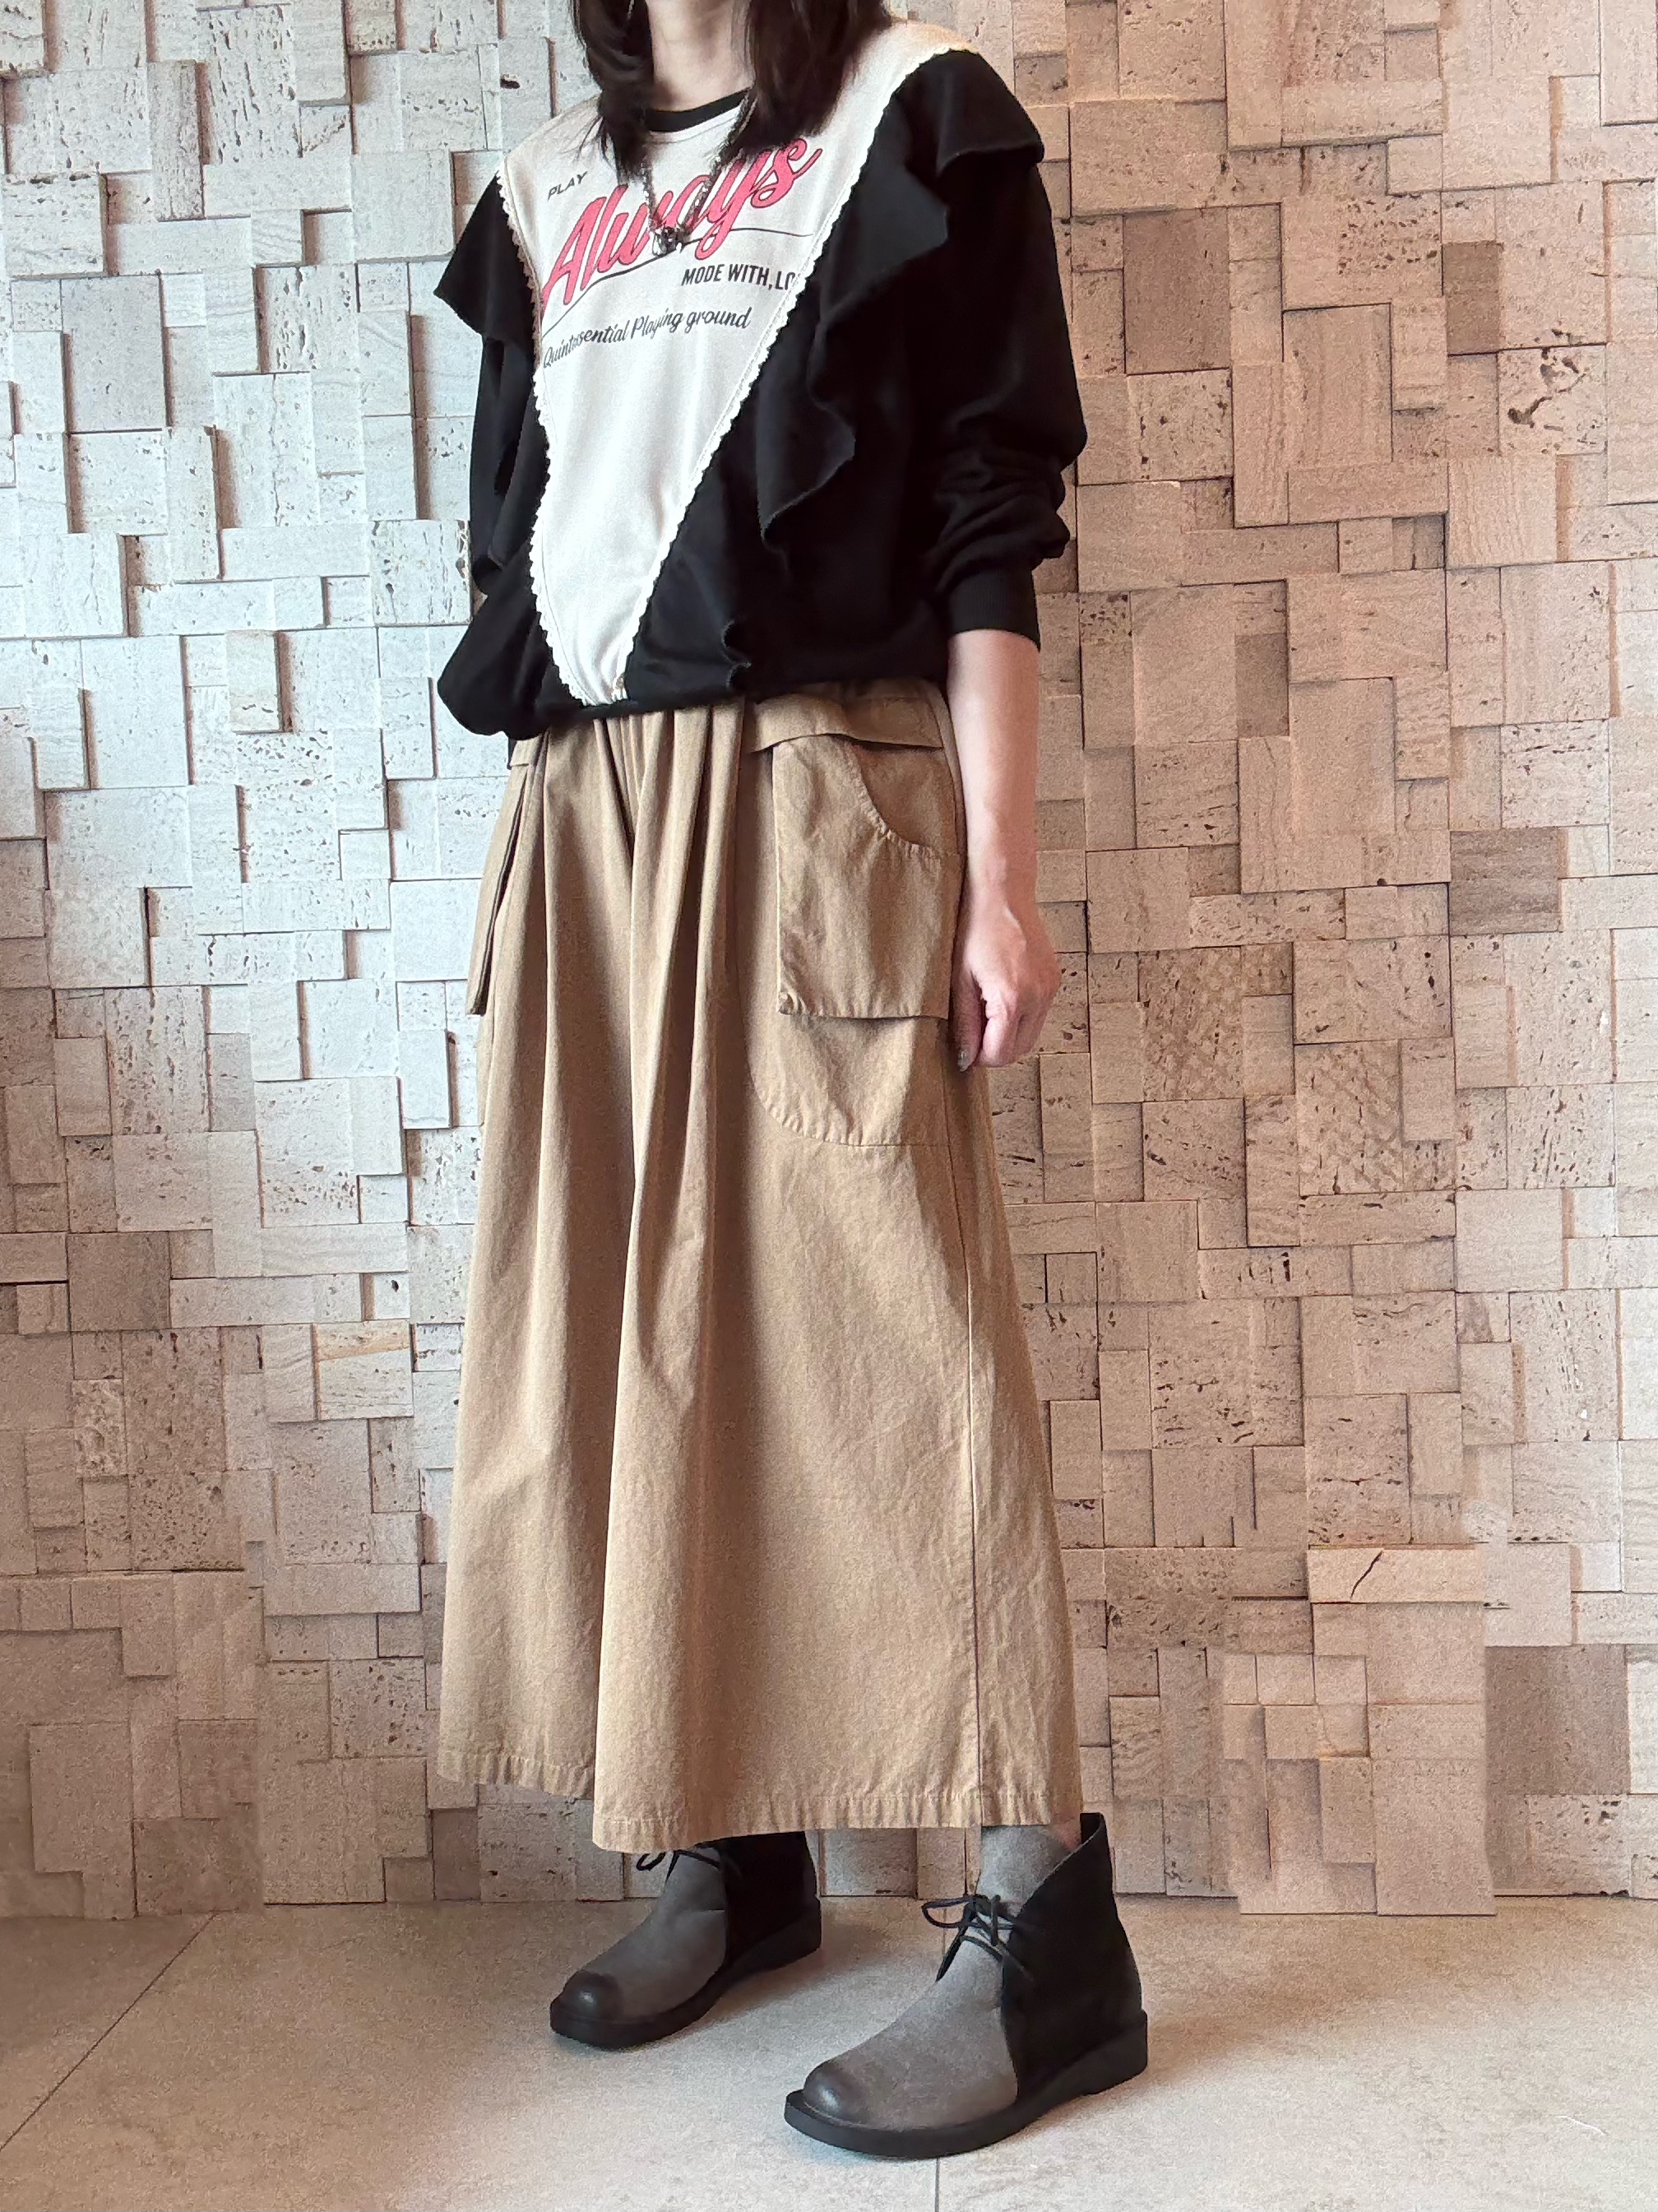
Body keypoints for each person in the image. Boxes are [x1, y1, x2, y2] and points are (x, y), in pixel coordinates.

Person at [432, 0, 1146, 2159]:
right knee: (616, 1343)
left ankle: (1043, 1922)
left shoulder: (915, 121)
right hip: (588, 820)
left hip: (822, 792)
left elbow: (986, 522)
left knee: (899, 1349)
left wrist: (1003, 883)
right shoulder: (545, 194)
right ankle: (726, 1843)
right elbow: (525, 550)